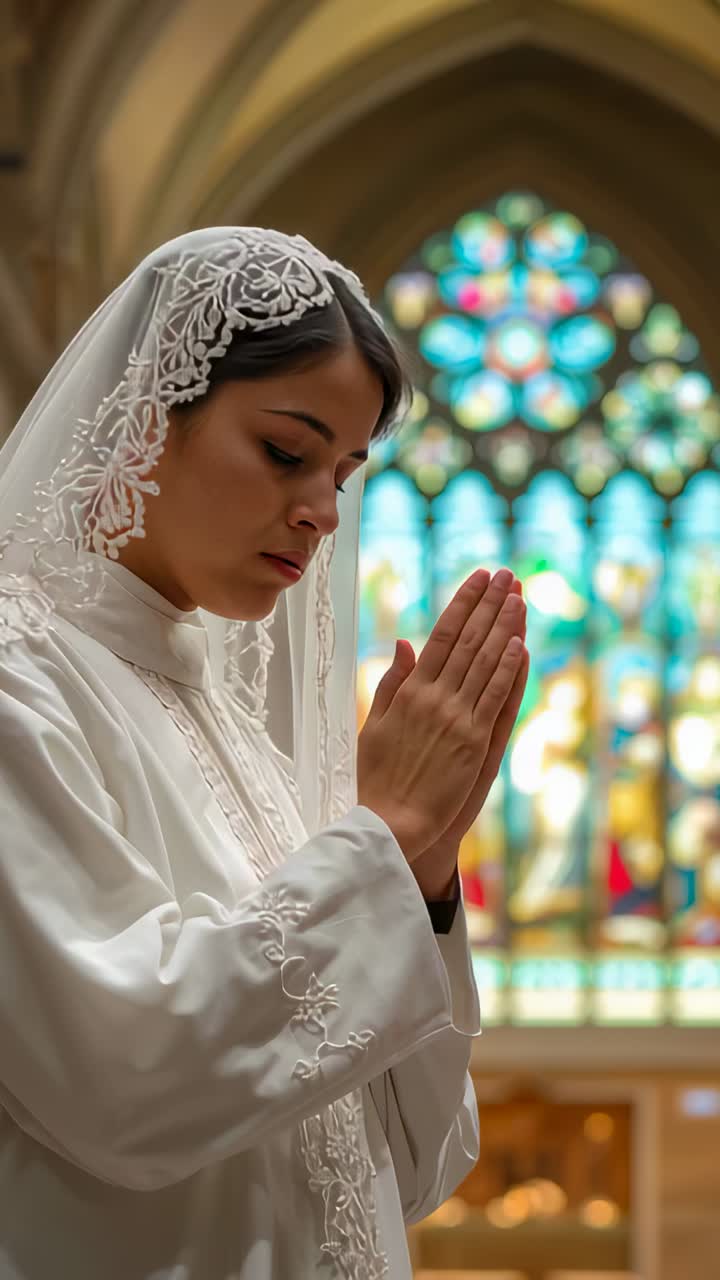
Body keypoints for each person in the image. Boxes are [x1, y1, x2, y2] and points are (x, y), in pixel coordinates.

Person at [0, 228, 529, 1279]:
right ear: (147, 414)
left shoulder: (234, 723)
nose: (322, 511)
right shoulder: (21, 678)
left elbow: (413, 1161)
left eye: (344, 470)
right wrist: (386, 837)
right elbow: (124, 1079)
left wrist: (417, 882)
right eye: (287, 451)